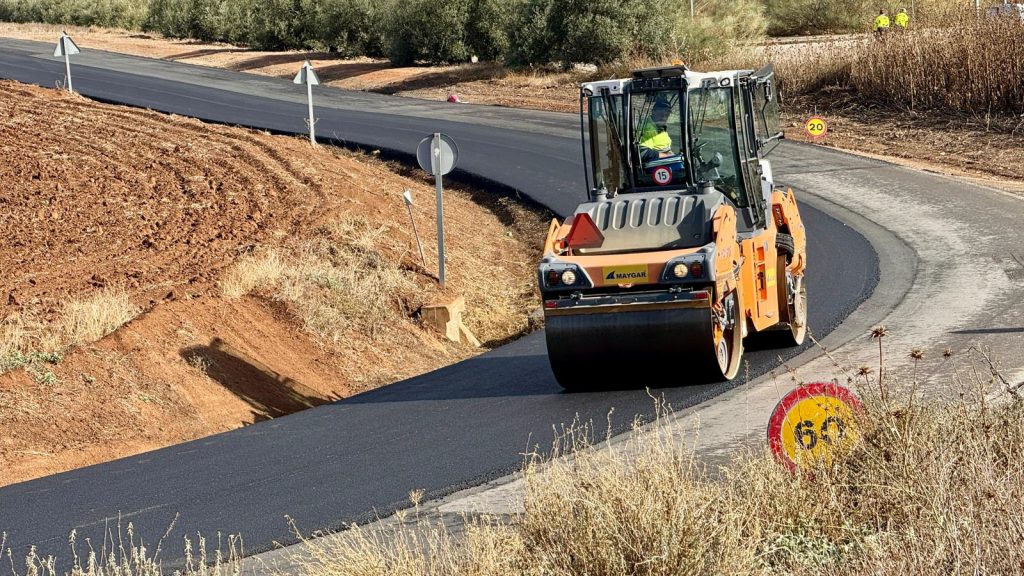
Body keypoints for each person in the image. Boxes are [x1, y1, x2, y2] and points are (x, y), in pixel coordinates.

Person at [638, 99, 674, 163]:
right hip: (654, 168)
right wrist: (667, 156)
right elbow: (642, 153)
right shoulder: (647, 128)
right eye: (661, 113)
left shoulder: (659, 126)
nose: (664, 117)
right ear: (653, 112)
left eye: (667, 114)